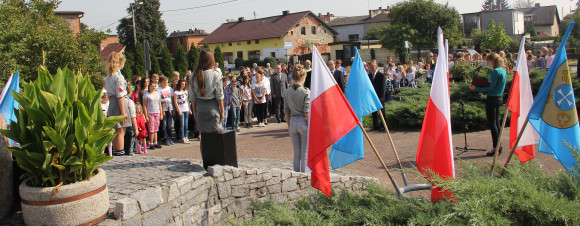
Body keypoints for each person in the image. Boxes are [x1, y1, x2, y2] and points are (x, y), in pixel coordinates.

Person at [470, 53, 507, 156]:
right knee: (497, 123)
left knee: (493, 124)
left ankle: (495, 147)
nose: (488, 63)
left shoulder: (495, 71)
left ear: (493, 61)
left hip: (492, 98)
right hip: (499, 97)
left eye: (489, 61)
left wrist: (476, 88)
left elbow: (491, 87)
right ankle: (498, 145)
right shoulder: (503, 71)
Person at [189, 49, 225, 137]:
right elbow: (219, 96)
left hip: (200, 109)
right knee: (216, 137)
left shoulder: (193, 76)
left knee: (204, 138)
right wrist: (222, 111)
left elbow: (192, 96)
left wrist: (194, 110)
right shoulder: (216, 74)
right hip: (213, 108)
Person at [284, 64, 310, 172]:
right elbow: (307, 112)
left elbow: (286, 112)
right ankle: (304, 176)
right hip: (303, 121)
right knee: (304, 152)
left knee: (296, 152)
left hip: (293, 121)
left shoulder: (287, 92)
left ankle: (295, 174)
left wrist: (289, 126)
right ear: (303, 77)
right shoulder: (306, 92)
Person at [105, 51, 129, 156]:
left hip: (111, 102)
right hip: (118, 102)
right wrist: (123, 113)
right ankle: (120, 152)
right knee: (120, 130)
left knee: (116, 130)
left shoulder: (108, 77)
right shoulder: (118, 77)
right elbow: (120, 95)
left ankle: (116, 151)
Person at [143, 82, 163, 150]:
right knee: (151, 129)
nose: (153, 87)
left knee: (156, 129)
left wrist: (161, 113)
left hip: (157, 112)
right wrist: (146, 115)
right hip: (150, 113)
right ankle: (151, 143)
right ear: (149, 86)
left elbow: (159, 104)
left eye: (155, 86)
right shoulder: (146, 95)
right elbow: (144, 105)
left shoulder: (157, 94)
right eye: (152, 86)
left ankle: (155, 142)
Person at [368, 60, 386, 131]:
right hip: (372, 97)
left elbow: (383, 87)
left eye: (373, 67)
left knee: (382, 112)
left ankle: (383, 125)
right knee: (374, 112)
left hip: (379, 97)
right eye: (371, 67)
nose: (372, 68)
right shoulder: (369, 76)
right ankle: (375, 125)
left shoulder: (381, 75)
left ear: (376, 67)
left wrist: (381, 96)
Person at [158, 76, 174, 146]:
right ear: (160, 83)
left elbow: (172, 99)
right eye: (164, 82)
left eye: (167, 82)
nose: (166, 83)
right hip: (163, 108)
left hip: (170, 108)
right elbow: (159, 101)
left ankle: (169, 138)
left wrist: (174, 109)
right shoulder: (158, 90)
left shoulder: (170, 89)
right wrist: (162, 110)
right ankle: (165, 138)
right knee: (164, 124)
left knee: (169, 125)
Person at [173, 79, 191, 143]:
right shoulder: (176, 92)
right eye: (182, 84)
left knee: (186, 124)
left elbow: (187, 101)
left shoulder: (186, 91)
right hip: (181, 109)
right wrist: (178, 110)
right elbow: (175, 102)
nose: (183, 85)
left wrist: (189, 109)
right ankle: (182, 137)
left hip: (186, 109)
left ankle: (186, 136)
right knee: (182, 124)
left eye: (184, 84)